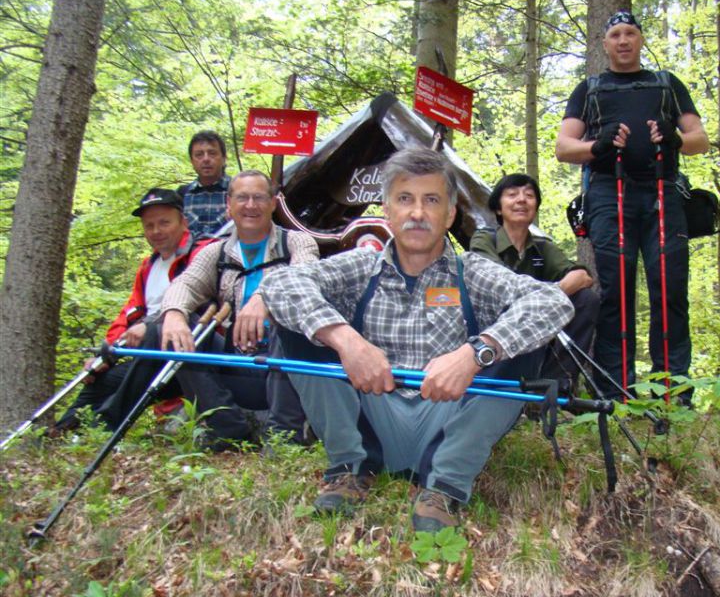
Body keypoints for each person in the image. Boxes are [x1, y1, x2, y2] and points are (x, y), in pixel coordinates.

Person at [260, 148, 573, 531]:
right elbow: (279, 284)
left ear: (451, 214)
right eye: (405, 199)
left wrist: (475, 353)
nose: (417, 213)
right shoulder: (360, 267)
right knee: (298, 323)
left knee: (523, 340)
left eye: (432, 200)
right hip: (368, 415)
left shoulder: (472, 272)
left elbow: (552, 300)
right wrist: (346, 341)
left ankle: (446, 484)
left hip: (450, 418)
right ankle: (350, 466)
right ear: (387, 211)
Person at [555, 10, 709, 401]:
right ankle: (615, 395)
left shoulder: (666, 84)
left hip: (663, 194)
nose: (623, 41)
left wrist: (673, 140)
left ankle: (673, 396)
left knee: (669, 291)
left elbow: (700, 139)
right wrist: (599, 146)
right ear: (604, 44)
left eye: (630, 34)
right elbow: (564, 148)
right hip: (609, 194)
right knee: (615, 294)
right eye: (616, 35)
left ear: (641, 40)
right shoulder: (588, 90)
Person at [159, 169, 319, 449]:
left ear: (273, 203)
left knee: (291, 322)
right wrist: (173, 314)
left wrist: (265, 298)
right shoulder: (215, 252)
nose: (250, 205)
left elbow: (303, 274)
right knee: (175, 327)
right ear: (229, 205)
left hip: (282, 369)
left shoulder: (296, 242)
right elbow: (185, 284)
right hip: (237, 363)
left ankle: (284, 436)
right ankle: (227, 425)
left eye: (259, 197)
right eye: (242, 198)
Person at [55, 188, 212, 431]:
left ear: (183, 221)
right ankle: (56, 434)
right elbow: (130, 312)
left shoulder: (202, 253)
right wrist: (107, 352)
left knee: (143, 353)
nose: (156, 231)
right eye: (149, 226)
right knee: (99, 381)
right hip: (151, 360)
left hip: (192, 357)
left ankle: (104, 428)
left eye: (164, 222)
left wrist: (149, 326)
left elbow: (202, 302)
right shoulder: (148, 266)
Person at [470, 173, 600, 385]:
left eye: (529, 196)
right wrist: (548, 295)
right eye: (512, 194)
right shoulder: (485, 239)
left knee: (586, 300)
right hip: (493, 329)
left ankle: (552, 388)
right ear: (498, 208)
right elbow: (496, 285)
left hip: (535, 328)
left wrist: (550, 295)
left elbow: (582, 276)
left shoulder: (542, 248)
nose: (522, 200)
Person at [177, 130, 231, 239]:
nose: (206, 159)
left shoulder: (239, 191)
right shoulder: (181, 195)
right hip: (191, 255)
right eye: (199, 155)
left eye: (212, 153)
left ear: (224, 158)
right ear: (192, 161)